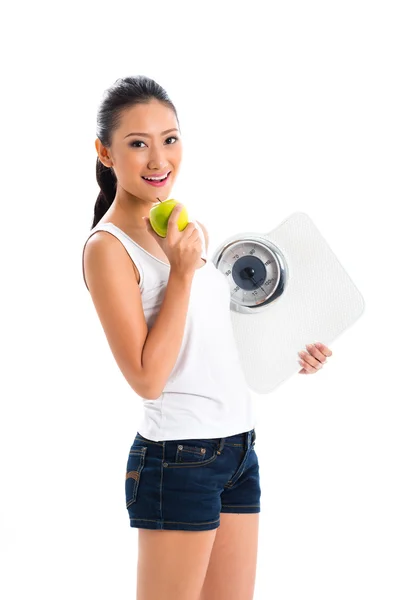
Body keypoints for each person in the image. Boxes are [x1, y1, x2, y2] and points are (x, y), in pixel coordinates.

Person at [81, 75, 332, 600]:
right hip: (179, 457)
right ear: (105, 153)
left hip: (239, 448)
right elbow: (148, 379)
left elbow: (213, 336)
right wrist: (181, 272)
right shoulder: (107, 249)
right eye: (137, 143)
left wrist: (291, 351)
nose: (158, 159)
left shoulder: (178, 228)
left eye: (170, 139)